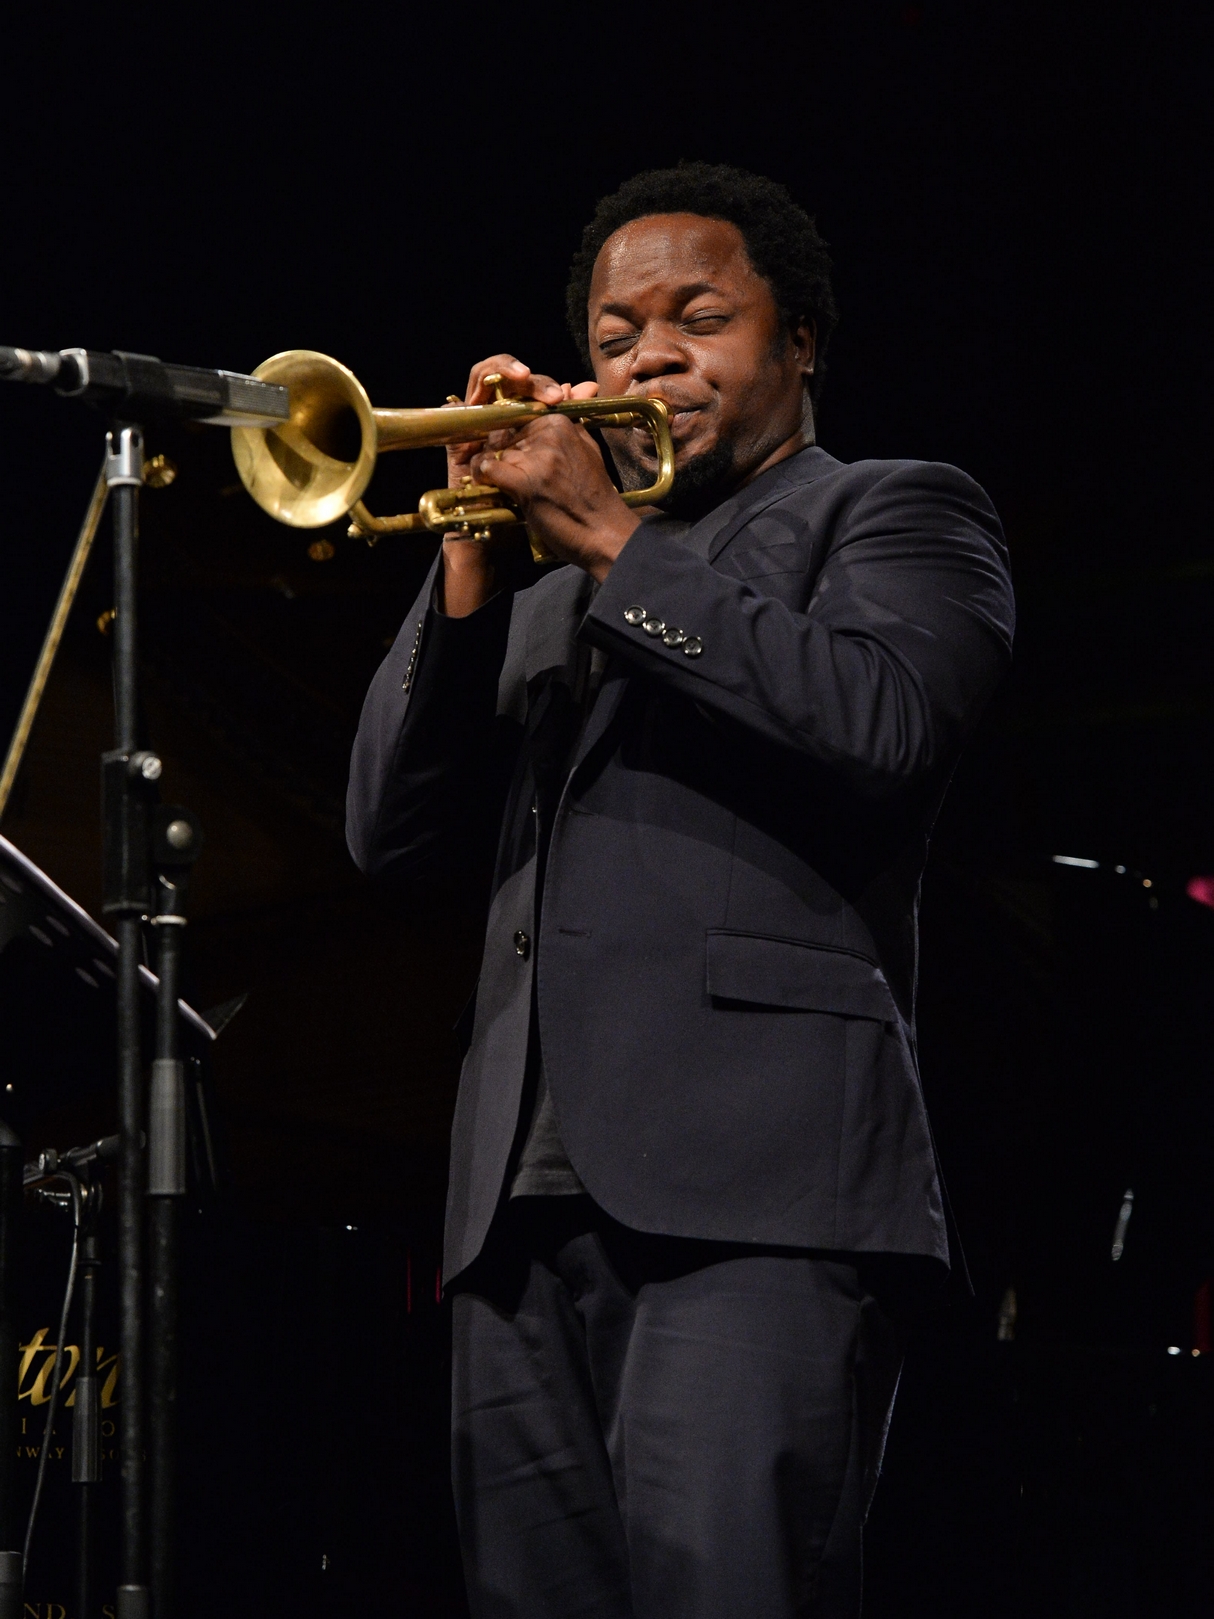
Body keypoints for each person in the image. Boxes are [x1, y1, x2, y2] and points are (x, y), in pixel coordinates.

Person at [347, 162, 1014, 1618]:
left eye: (694, 319)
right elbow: (389, 838)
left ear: (800, 342)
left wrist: (603, 538)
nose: (644, 357)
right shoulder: (542, 600)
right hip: (514, 1214)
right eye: (608, 336)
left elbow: (877, 723)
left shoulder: (895, 514)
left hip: (758, 1199)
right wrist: (465, 560)